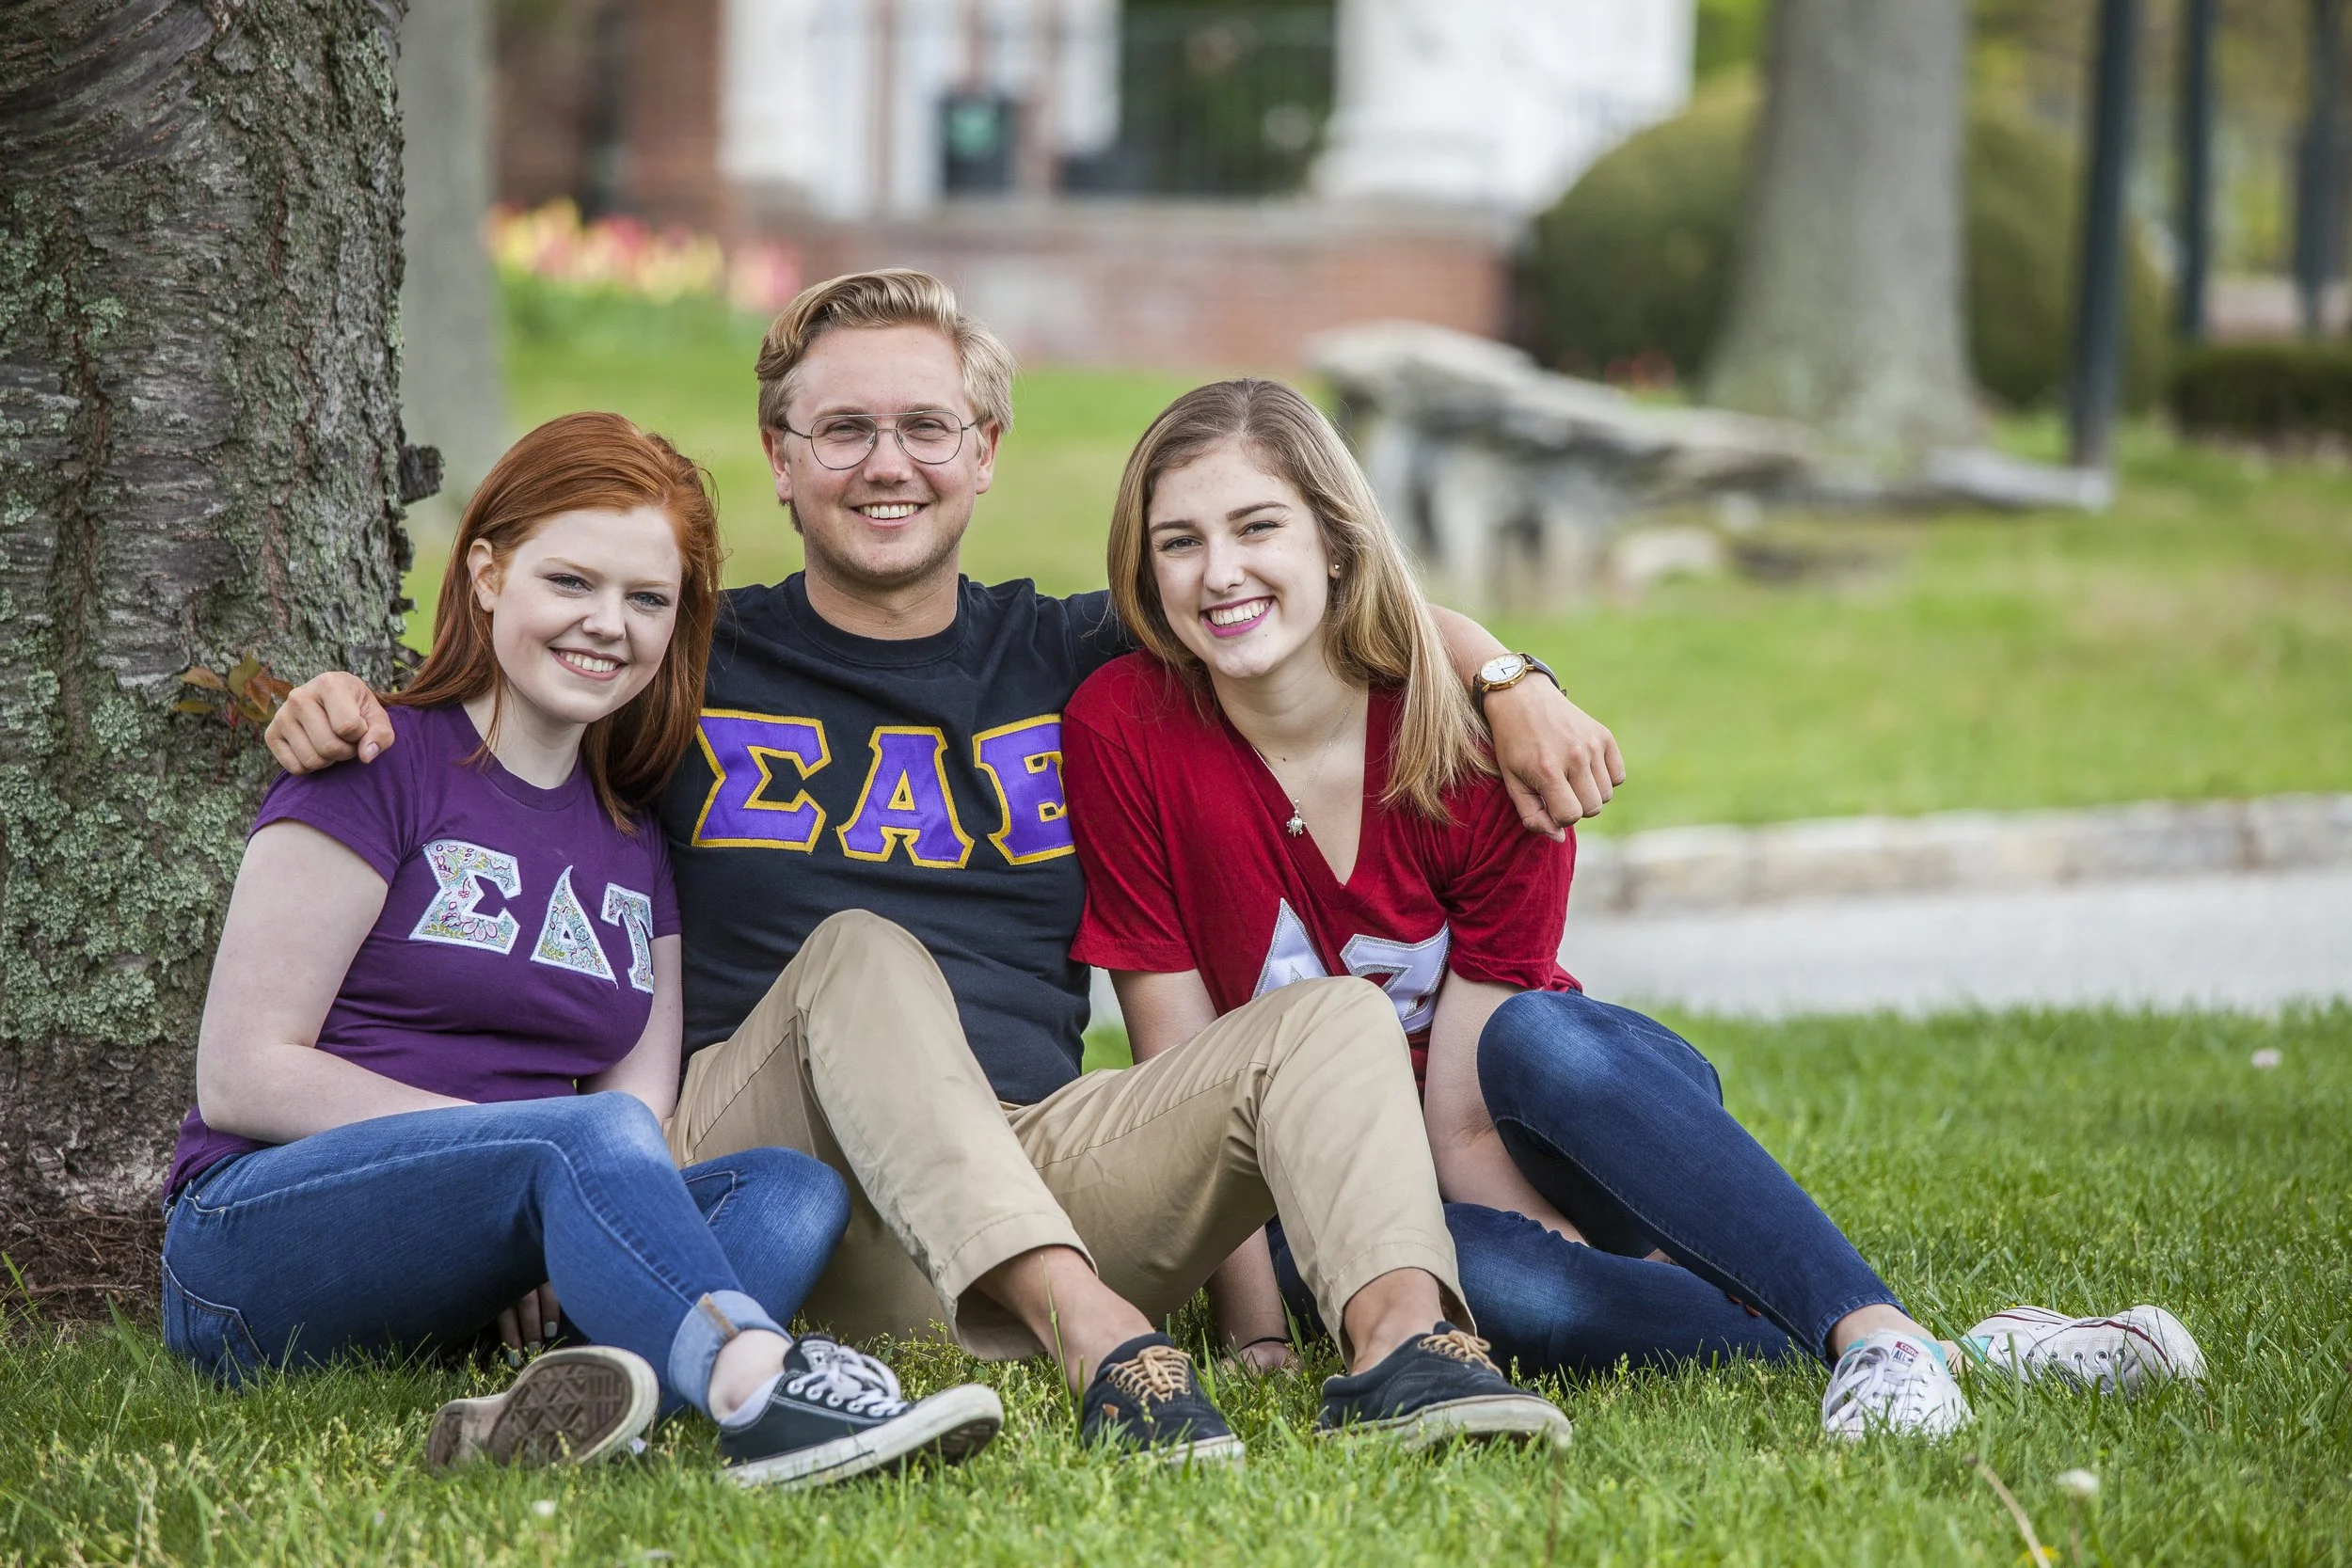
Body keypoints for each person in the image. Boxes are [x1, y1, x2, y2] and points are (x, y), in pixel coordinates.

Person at [262, 271, 1617, 1459]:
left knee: (1324, 1019)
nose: (885, 463)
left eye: (925, 427)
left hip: (1030, 1161)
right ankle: (1098, 1340)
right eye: (842, 429)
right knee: (860, 947)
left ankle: (1405, 1347)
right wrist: (337, 703)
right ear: (781, 459)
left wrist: (1503, 670)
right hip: (776, 1171)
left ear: (985, 452)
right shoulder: (684, 653)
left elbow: (1308, 593)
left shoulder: (1079, 655)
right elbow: (505, 695)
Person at [1057, 378, 2207, 1439]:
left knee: (1538, 1044)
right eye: (1180, 541)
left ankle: (1870, 1334)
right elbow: (1193, 1092)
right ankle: (1931, 1348)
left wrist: (1557, 1252)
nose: (1220, 573)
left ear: (1334, 539)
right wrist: (1259, 1332)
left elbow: (1465, 1126)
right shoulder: (1125, 729)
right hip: (1332, 1200)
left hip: (1555, 1132)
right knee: (1476, 1277)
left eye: (1258, 527)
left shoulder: (1481, 745)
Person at [166, 412, 1002, 1487]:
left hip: (483, 1251)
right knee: (588, 1139)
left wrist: (546, 1205)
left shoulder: (633, 836)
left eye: (647, 599)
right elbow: (242, 1072)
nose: (608, 624)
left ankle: (557, 1399)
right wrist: (520, 1168)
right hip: (257, 1242)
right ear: (485, 575)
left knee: (790, 1191)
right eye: (571, 582)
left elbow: (638, 1117)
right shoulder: (375, 760)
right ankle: (763, 1391)